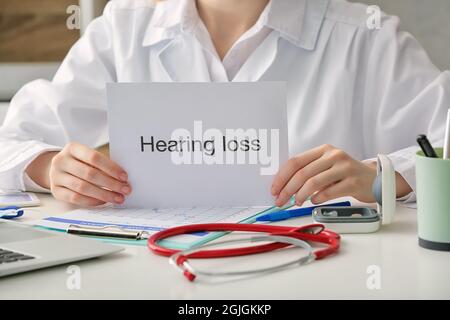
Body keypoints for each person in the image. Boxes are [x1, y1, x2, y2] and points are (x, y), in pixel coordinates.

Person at [0, 0, 449, 207]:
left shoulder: (367, 37)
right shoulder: (122, 27)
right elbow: (12, 141)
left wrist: (383, 179)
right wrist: (49, 167)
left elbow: (443, 143)